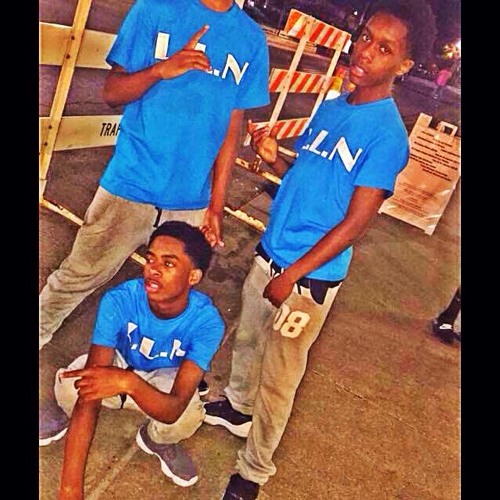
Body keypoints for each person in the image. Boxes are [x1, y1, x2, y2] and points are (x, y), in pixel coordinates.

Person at [202, 1, 437, 498]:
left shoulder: (387, 136)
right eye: (365, 37)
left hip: (307, 281)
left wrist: (292, 275)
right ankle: (237, 408)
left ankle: (252, 472)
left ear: (404, 65)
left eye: (384, 48)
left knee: (279, 379)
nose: (365, 51)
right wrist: (274, 159)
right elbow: (305, 181)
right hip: (272, 252)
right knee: (248, 343)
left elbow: (354, 224)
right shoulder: (332, 107)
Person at [39, 0, 270, 350]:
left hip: (190, 203)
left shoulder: (251, 39)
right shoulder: (155, 9)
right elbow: (112, 92)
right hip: (131, 185)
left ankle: (137, 368)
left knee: (169, 299)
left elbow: (231, 127)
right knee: (77, 278)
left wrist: (216, 206)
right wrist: (160, 70)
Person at [39, 221, 225, 496]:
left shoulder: (208, 323)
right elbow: (92, 389)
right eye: (151, 259)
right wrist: (70, 489)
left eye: (169, 263)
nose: (153, 269)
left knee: (185, 418)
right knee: (73, 386)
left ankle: (156, 440)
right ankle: (65, 415)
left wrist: (128, 383)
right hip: (120, 360)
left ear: (193, 276)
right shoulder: (120, 300)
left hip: (164, 375)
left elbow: (173, 408)